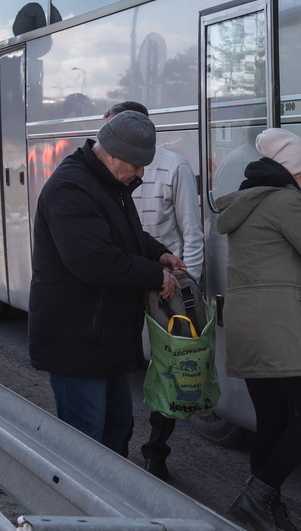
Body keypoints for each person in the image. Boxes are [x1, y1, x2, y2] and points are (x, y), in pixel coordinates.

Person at [28, 110, 184, 456]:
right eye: (136, 164)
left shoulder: (108, 183)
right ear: (111, 153)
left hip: (103, 340)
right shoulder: (71, 187)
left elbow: (126, 236)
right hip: (77, 343)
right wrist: (154, 275)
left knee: (116, 431)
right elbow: (96, 261)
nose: (141, 173)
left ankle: (111, 508)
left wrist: (158, 254)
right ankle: (84, 509)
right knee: (87, 445)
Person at [215, 128, 301, 531]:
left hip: (247, 326)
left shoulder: (247, 202)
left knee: (272, 420)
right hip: (281, 328)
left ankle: (266, 514)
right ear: (291, 171)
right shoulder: (288, 203)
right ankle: (258, 495)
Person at [104, 101, 205, 481]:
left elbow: (191, 234)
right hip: (122, 283)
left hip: (165, 289)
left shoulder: (173, 167)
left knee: (167, 370)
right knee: (124, 367)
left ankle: (156, 451)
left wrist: (188, 289)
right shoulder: (104, 173)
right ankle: (121, 445)